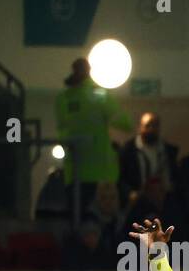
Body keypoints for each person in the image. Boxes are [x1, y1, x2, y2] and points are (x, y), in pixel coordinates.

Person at [54, 57, 132, 217]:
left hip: (74, 172)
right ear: (89, 72)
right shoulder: (99, 95)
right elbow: (126, 124)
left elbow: (61, 132)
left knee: (79, 222)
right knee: (104, 222)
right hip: (103, 175)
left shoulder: (63, 99)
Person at [118, 112, 179, 208]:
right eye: (147, 125)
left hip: (163, 201)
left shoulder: (168, 151)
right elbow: (120, 177)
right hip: (137, 201)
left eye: (155, 126)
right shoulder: (128, 150)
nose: (151, 129)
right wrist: (129, 193)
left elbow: (174, 176)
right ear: (140, 127)